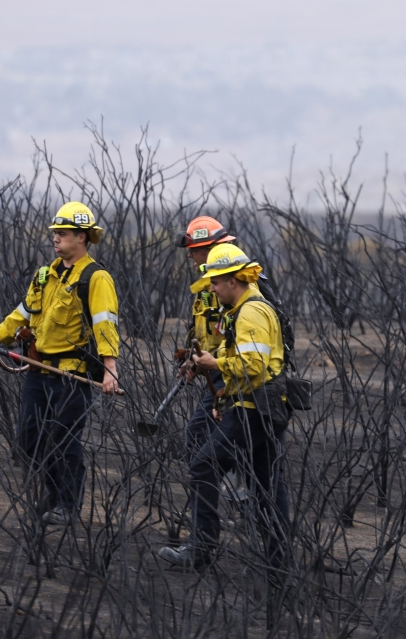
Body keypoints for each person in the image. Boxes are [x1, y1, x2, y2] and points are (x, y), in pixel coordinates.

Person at [0, 202, 120, 525]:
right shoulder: (45, 275)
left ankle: (66, 505)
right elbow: (22, 315)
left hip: (72, 375)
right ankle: (52, 496)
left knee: (64, 439)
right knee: (29, 438)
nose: (56, 239)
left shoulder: (96, 279)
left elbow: (105, 324)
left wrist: (110, 366)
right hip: (38, 372)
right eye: (55, 233)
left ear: (82, 238)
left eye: (63, 234)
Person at [158, 243, 291, 574]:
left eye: (216, 282)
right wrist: (222, 399)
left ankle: (202, 550)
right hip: (252, 408)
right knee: (267, 486)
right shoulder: (243, 311)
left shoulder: (252, 312)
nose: (212, 289)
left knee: (204, 463)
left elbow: (254, 365)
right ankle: (280, 566)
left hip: (255, 411)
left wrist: (214, 362)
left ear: (234, 280)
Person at [173, 216, 236, 460]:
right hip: (216, 372)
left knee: (201, 437)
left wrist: (209, 361)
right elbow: (209, 335)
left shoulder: (234, 286)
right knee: (203, 437)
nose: (190, 256)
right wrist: (193, 360)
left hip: (233, 377)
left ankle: (224, 489)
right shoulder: (208, 287)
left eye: (194, 250)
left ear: (209, 250)